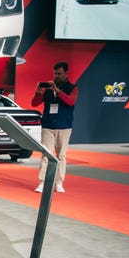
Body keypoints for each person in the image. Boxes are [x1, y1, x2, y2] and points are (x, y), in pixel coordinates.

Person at [31, 61, 78, 193]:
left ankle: (59, 183)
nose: (56, 76)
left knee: (61, 156)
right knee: (46, 154)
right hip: (48, 125)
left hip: (64, 126)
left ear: (66, 74)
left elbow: (70, 101)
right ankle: (42, 182)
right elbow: (34, 103)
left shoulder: (72, 88)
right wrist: (38, 92)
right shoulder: (47, 89)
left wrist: (58, 91)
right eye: (55, 73)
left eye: (59, 73)